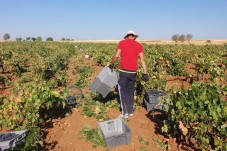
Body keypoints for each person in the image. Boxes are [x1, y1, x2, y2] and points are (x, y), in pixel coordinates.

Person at [109, 30, 149, 118]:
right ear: (134, 37)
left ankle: (125, 112)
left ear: (127, 36)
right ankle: (130, 111)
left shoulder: (122, 43)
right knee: (130, 91)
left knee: (123, 91)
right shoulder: (138, 45)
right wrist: (145, 73)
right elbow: (142, 60)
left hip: (123, 72)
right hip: (133, 73)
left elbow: (116, 56)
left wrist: (111, 64)